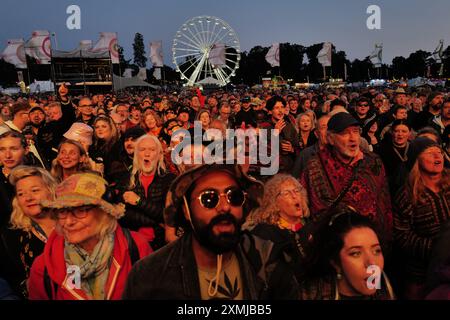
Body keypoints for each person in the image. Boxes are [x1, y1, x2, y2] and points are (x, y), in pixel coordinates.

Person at [123, 163, 299, 300]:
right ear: (186, 210)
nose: (224, 207)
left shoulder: (269, 261)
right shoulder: (150, 276)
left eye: (233, 196)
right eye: (209, 198)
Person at [28, 172, 152, 300]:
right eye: (63, 211)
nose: (69, 222)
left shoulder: (136, 247)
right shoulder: (43, 268)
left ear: (104, 212)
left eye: (81, 210)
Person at [300, 112, 393, 238]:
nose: (353, 138)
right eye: (345, 133)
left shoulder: (373, 161)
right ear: (331, 139)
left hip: (373, 239)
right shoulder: (316, 166)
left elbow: (384, 202)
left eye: (355, 131)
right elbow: (311, 209)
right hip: (334, 243)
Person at [393, 137, 449, 300]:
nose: (437, 157)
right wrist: (437, 248)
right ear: (417, 159)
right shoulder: (407, 195)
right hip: (420, 275)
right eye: (430, 153)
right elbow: (401, 235)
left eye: (439, 152)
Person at [298, 206, 395, 300]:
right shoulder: (311, 295)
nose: (372, 263)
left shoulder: (385, 290)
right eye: (356, 253)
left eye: (376, 251)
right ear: (335, 262)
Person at [0, 166, 56, 298]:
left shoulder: (72, 224)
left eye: (35, 190)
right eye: (21, 194)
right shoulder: (10, 235)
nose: (28, 198)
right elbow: (11, 280)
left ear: (51, 191)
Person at [244, 174, 310, 282]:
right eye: (286, 193)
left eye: (297, 191)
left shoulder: (310, 227)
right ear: (275, 203)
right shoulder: (266, 234)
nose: (294, 196)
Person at [120, 134, 175, 249]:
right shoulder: (126, 179)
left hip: (160, 245)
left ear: (159, 155)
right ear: (136, 154)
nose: (147, 153)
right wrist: (158, 221)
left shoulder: (169, 179)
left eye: (152, 149)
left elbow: (167, 215)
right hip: (132, 243)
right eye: (142, 149)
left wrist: (138, 201)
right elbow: (123, 215)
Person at [0, 131, 30, 228]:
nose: (7, 155)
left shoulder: (36, 177)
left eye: (14, 149)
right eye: (2, 149)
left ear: (26, 150)